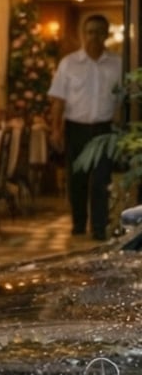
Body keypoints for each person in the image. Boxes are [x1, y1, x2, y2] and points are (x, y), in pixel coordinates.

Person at [48, 13, 121, 240]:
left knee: (101, 180)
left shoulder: (117, 64)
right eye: (90, 32)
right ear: (83, 34)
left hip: (104, 130)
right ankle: (78, 223)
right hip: (76, 129)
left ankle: (98, 227)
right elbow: (58, 100)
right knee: (77, 179)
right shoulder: (69, 64)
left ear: (106, 35)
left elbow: (123, 99)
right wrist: (56, 130)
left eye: (99, 32)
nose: (93, 37)